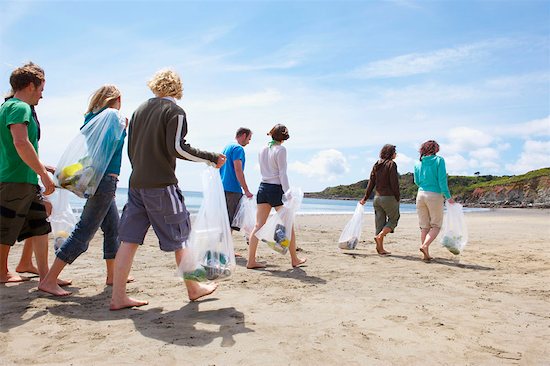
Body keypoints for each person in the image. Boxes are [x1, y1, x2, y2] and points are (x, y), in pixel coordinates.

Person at [110, 68, 226, 310]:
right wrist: (211, 157)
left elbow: (132, 148)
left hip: (136, 184)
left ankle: (118, 297)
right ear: (177, 88)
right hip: (161, 185)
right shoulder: (174, 110)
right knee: (181, 238)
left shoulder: (139, 110)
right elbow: (177, 148)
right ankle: (194, 288)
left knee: (128, 241)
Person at [39, 85, 128, 296]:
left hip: (97, 178)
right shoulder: (114, 117)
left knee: (113, 228)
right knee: (84, 230)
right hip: (104, 179)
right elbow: (105, 151)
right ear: (116, 99)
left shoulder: (91, 118)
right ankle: (49, 280)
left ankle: (111, 275)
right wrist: (123, 128)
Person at [0, 62, 61, 284]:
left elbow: (18, 148)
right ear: (29, 86)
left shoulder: (8, 107)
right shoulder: (19, 107)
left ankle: (46, 277)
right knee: (6, 226)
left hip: (23, 178)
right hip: (14, 179)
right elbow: (20, 143)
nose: (42, 96)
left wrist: (43, 167)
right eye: (41, 89)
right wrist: (43, 176)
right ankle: (2, 272)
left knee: (40, 224)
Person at [246, 124, 306, 269]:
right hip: (276, 189)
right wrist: (288, 193)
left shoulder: (262, 149)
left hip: (263, 187)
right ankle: (294, 259)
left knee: (258, 225)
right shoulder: (281, 149)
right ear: (284, 137)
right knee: (288, 225)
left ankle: (251, 261)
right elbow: (282, 174)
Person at [413, 140, 455, 261]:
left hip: (420, 194)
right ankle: (425, 246)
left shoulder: (418, 163)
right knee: (436, 225)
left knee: (424, 226)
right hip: (434, 194)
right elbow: (442, 181)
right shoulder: (439, 160)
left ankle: (425, 253)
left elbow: (416, 181)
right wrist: (448, 197)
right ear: (435, 149)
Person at [359, 144, 400, 255]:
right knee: (394, 219)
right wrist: (398, 197)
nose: (396, 154)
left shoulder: (376, 165)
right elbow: (394, 183)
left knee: (379, 223)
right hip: (389, 197)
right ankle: (380, 236)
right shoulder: (391, 164)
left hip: (377, 198)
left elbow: (371, 183)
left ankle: (380, 248)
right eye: (395, 152)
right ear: (391, 153)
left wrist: (365, 198)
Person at [220, 127, 253, 231]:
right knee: (230, 223)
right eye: (249, 138)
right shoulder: (238, 149)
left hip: (221, 188)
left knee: (223, 221)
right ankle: (226, 247)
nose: (249, 142)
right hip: (233, 190)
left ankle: (221, 245)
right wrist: (246, 190)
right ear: (244, 135)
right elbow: (238, 170)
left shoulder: (226, 147)